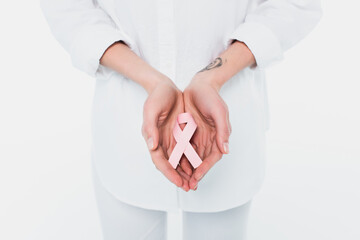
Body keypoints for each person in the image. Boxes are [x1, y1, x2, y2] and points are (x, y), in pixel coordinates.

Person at [40, 0, 322, 239]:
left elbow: (295, 4)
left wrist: (212, 77)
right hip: (124, 131)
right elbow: (67, 7)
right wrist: (152, 81)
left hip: (224, 135)